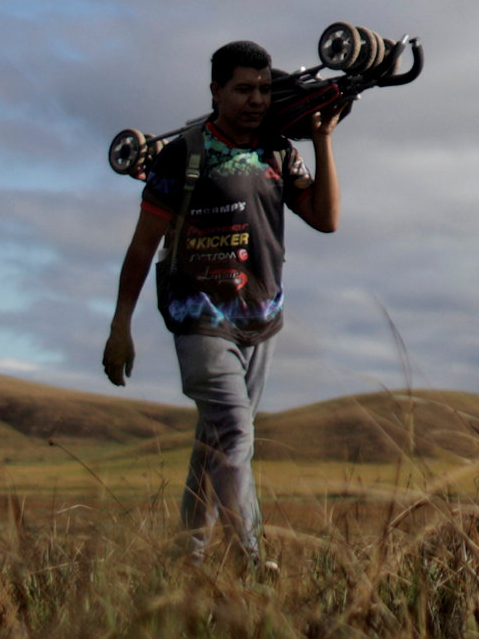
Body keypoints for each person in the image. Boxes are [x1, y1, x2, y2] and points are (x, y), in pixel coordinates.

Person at [102, 40, 342, 566]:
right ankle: (249, 559)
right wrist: (120, 326)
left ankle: (186, 554)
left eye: (262, 89)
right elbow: (142, 248)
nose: (255, 100)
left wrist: (322, 140)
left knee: (216, 442)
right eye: (242, 89)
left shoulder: (279, 152)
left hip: (262, 322)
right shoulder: (184, 155)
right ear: (215, 91)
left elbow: (325, 219)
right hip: (198, 319)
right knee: (236, 431)